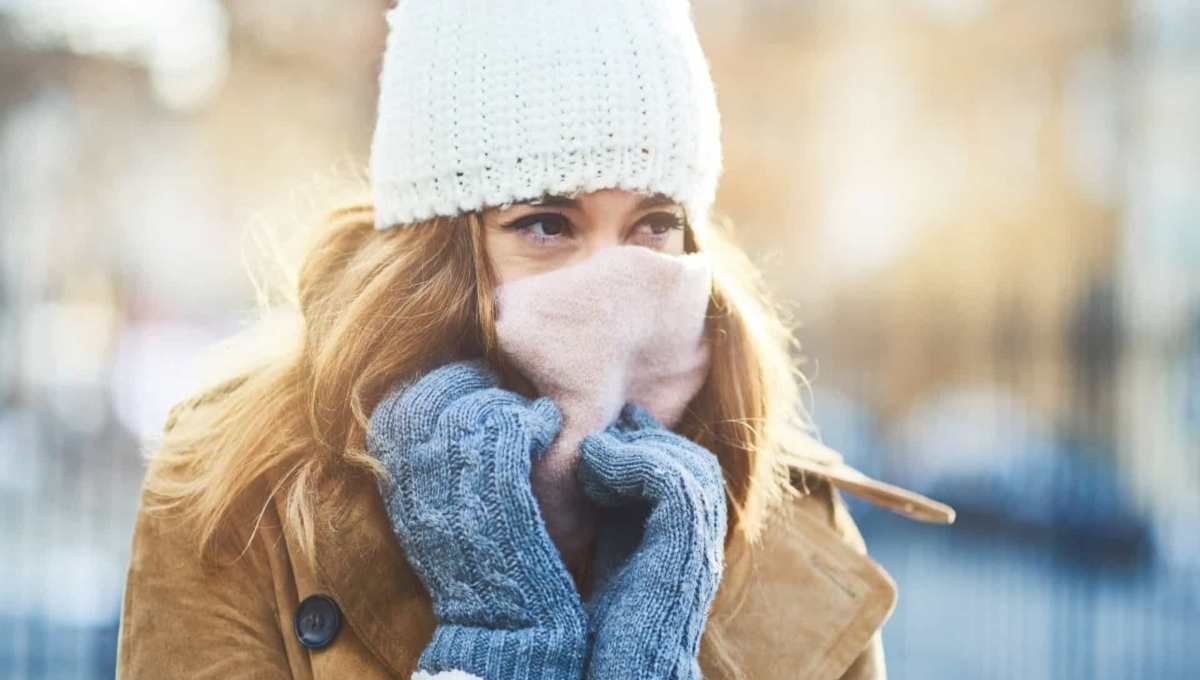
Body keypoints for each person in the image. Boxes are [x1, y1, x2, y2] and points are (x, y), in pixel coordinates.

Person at [115, 1, 954, 678]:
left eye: (654, 225)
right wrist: (502, 648)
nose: (614, 282)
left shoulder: (789, 523)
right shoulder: (241, 492)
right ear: (436, 250)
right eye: (547, 223)